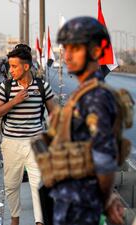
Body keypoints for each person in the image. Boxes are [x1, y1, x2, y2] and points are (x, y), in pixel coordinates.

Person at [47, 16, 125, 225]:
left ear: (96, 52)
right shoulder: (84, 93)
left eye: (76, 48)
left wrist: (107, 199)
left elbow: (104, 158)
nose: (68, 55)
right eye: (66, 48)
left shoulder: (96, 97)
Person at [0, 44, 56, 225]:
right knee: (12, 185)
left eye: (14, 66)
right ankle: (15, 220)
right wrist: (14, 101)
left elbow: (55, 114)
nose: (10, 70)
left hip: (36, 142)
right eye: (9, 66)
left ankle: (39, 222)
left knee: (38, 185)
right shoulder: (6, 87)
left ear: (26, 66)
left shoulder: (42, 86)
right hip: (11, 142)